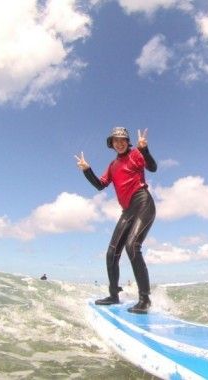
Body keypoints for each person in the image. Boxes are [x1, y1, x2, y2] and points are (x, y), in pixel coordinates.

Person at [75, 127, 157, 314]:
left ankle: (145, 299)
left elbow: (152, 167)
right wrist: (87, 170)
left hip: (143, 203)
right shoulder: (112, 166)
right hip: (127, 211)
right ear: (111, 144)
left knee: (132, 246)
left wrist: (144, 149)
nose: (119, 143)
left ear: (127, 141)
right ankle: (114, 295)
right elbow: (100, 185)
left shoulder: (136, 154)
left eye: (122, 140)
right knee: (111, 254)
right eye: (115, 140)